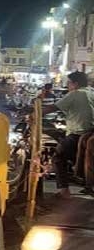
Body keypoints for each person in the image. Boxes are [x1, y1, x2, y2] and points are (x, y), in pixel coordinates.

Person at [42, 71, 94, 199]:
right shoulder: (91, 92)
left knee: (58, 157)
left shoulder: (75, 94)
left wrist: (35, 112)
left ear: (75, 83)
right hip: (90, 132)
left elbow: (53, 108)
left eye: (69, 83)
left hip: (78, 133)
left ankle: (64, 191)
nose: (68, 86)